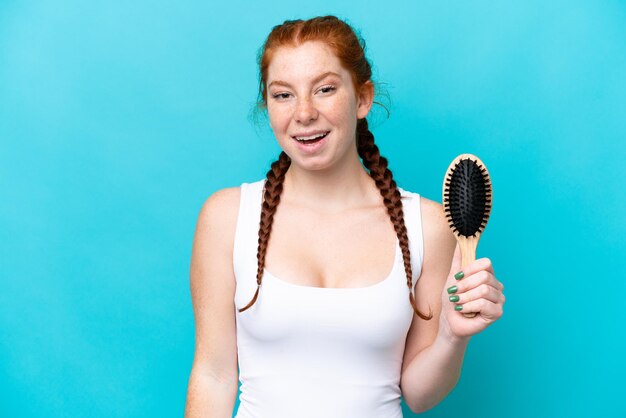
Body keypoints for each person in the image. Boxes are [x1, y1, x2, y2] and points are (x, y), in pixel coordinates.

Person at [184, 15, 505, 418]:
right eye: (283, 95)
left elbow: (420, 395)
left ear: (362, 98)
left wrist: (451, 335)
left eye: (325, 89)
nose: (304, 113)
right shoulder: (226, 217)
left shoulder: (428, 225)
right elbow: (213, 375)